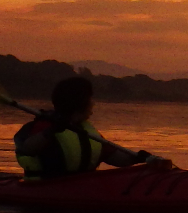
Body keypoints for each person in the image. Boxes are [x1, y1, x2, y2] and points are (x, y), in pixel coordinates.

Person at [14, 76, 172, 179]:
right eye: (90, 99)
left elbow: (117, 159)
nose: (93, 104)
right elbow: (27, 148)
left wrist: (138, 158)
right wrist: (52, 130)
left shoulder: (87, 131)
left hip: (79, 187)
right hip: (46, 186)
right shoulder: (44, 126)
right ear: (81, 102)